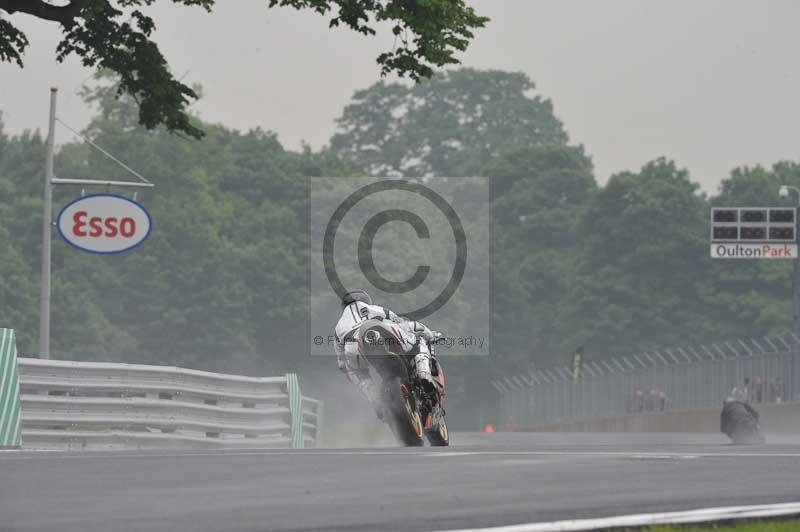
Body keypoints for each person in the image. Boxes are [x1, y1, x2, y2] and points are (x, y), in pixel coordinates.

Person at [333, 289, 441, 417]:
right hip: (382, 332)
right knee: (418, 341)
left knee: (357, 373)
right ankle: (424, 374)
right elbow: (398, 320)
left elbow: (341, 363)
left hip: (352, 346)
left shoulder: (338, 327)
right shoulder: (373, 308)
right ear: (365, 300)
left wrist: (348, 369)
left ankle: (375, 400)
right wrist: (432, 335)